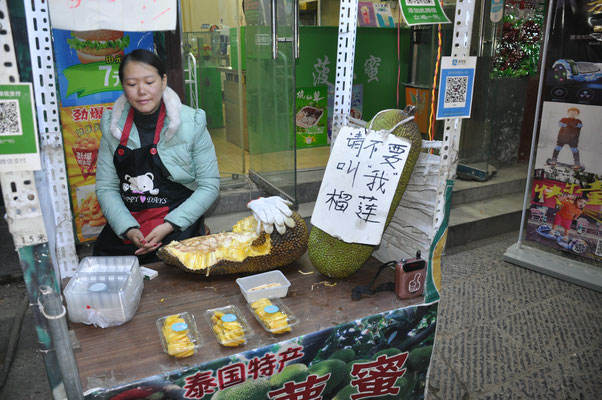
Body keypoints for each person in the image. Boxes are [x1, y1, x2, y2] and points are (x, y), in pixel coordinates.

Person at [94, 49, 220, 262]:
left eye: (149, 82)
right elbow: (106, 187)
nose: (141, 91)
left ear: (163, 81)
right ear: (123, 86)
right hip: (131, 223)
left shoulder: (192, 123)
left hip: (177, 223)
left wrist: (169, 225)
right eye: (132, 84)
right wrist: (129, 229)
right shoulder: (112, 127)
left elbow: (209, 186)